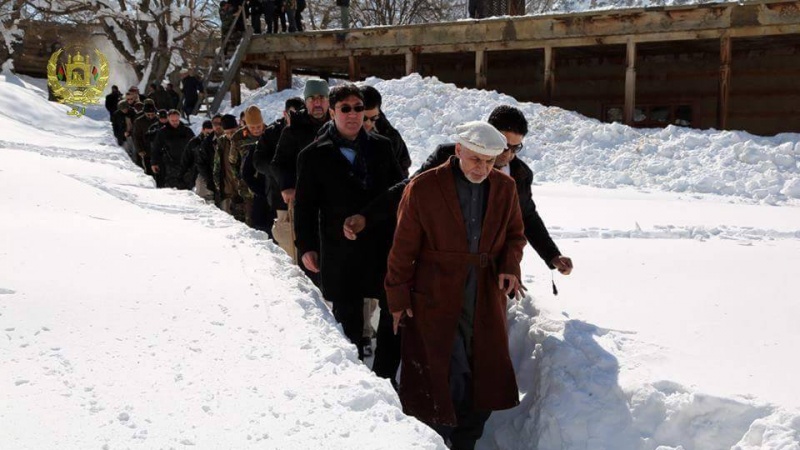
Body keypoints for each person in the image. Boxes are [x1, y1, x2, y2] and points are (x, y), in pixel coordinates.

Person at [347, 104, 573, 385]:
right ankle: (385, 387)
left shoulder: (519, 175)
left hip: (483, 277)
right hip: (436, 273)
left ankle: (468, 415)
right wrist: (368, 216)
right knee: (408, 330)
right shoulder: (448, 158)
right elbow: (409, 190)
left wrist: (551, 255)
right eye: (503, 144)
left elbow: (525, 220)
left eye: (516, 148)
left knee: (476, 346)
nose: (507, 154)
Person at [385, 121, 526, 449]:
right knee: (445, 368)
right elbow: (403, 247)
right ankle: (437, 440)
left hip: (485, 294)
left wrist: (508, 266)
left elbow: (516, 235)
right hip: (435, 291)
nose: (483, 168)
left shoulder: (504, 189)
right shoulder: (423, 187)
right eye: (476, 159)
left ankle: (467, 439)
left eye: (490, 161)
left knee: (483, 370)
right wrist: (397, 297)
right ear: (458, 149)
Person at [294, 84, 404, 360]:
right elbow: (305, 206)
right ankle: (353, 374)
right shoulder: (313, 155)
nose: (353, 114)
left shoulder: (382, 147)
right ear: (332, 112)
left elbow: (398, 192)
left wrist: (371, 217)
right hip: (339, 247)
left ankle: (386, 372)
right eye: (345, 109)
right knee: (347, 317)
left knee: (392, 309)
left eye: (358, 108)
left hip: (380, 243)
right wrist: (306, 246)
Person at [253, 97, 305, 253]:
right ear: (284, 113)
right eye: (291, 114)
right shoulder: (272, 132)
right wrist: (278, 171)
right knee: (286, 236)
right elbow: (258, 160)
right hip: (280, 194)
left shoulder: (308, 129)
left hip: (306, 193)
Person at [271, 79, 330, 210]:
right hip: (304, 197)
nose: (317, 103)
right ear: (306, 102)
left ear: (328, 100)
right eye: (311, 98)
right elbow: (280, 162)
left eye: (321, 97)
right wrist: (287, 185)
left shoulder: (339, 123)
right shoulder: (294, 128)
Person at [229, 105, 269, 228]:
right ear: (246, 124)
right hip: (248, 188)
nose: (257, 130)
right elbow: (233, 162)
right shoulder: (238, 137)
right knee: (251, 222)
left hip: (267, 186)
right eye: (252, 127)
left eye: (259, 126)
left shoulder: (270, 133)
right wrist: (239, 179)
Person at [360, 85, 411, 177]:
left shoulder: (390, 136)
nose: (368, 123)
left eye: (373, 118)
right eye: (363, 118)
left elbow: (402, 167)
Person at [151, 110, 195, 189]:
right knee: (171, 188)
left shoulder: (187, 131)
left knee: (187, 188)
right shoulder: (162, 132)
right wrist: (154, 163)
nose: (175, 122)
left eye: (176, 120)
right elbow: (156, 148)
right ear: (168, 119)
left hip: (185, 164)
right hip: (169, 164)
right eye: (172, 121)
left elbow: (195, 146)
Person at [213, 114, 242, 215]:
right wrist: (218, 185)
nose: (231, 135)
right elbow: (217, 166)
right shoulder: (221, 142)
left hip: (243, 188)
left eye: (233, 132)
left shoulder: (244, 139)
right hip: (228, 188)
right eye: (228, 133)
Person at [181, 120, 216, 201]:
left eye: (211, 133)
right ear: (202, 130)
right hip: (197, 173)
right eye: (207, 133)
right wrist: (184, 175)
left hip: (212, 172)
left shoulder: (215, 142)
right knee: (202, 196)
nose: (209, 135)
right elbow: (186, 159)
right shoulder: (194, 142)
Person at [132, 102, 159, 170]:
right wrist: (140, 150)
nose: (150, 116)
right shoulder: (139, 121)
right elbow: (136, 136)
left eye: (152, 114)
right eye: (148, 114)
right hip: (146, 149)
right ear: (144, 113)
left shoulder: (158, 120)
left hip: (158, 149)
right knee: (149, 169)